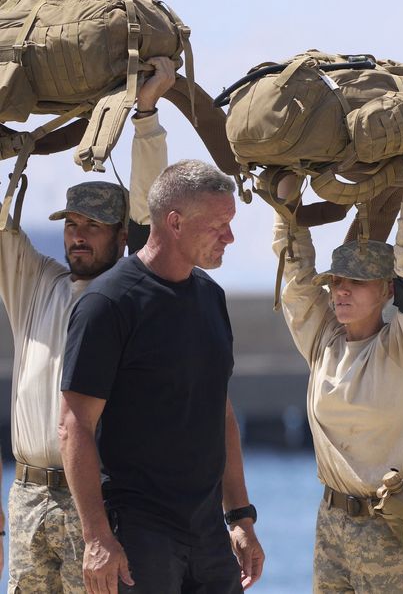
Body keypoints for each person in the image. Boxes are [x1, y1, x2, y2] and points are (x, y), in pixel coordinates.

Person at [0, 57, 174, 593]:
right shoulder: (36, 283)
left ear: (120, 235)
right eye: (73, 225)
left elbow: (152, 205)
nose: (79, 236)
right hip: (26, 495)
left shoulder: (130, 294)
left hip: (95, 503)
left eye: (94, 227)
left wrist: (145, 116)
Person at [58, 159, 265, 593]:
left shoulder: (211, 297)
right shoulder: (109, 303)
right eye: (218, 225)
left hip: (208, 533)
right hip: (138, 535)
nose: (229, 236)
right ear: (174, 222)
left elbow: (219, 410)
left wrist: (241, 516)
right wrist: (97, 537)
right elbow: (74, 425)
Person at [271, 115, 403, 592]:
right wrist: (284, 185)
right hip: (332, 526)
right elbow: (294, 269)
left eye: (356, 283)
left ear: (387, 291)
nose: (341, 292)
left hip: (396, 529)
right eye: (336, 282)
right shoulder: (323, 344)